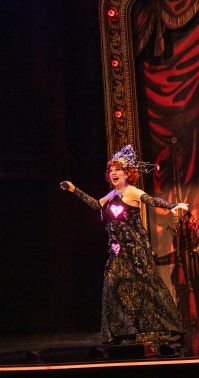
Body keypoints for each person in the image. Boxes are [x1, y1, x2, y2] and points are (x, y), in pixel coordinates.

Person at [60, 145, 188, 344]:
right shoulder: (111, 195)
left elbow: (151, 200)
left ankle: (173, 326)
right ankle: (122, 331)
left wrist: (172, 206)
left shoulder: (133, 191)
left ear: (127, 173)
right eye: (111, 170)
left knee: (149, 285)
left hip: (135, 247)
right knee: (112, 285)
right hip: (117, 249)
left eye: (118, 170)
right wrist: (74, 189)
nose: (113, 173)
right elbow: (95, 204)